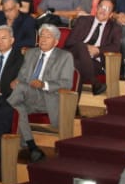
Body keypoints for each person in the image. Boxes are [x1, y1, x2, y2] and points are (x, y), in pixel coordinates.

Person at [9, 23, 76, 162]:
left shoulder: (65, 57)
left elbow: (67, 83)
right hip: (28, 96)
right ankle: (32, 145)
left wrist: (44, 84)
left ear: (56, 42)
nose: (43, 39)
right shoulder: (31, 53)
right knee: (17, 107)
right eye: (41, 36)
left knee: (14, 98)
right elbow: (22, 75)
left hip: (49, 98)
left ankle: (0, 112)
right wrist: (16, 80)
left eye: (48, 36)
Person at [65, 0, 122, 91]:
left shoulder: (115, 28)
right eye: (102, 7)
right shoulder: (83, 20)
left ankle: (73, 105)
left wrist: (98, 50)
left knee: (77, 68)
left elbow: (116, 47)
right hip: (74, 54)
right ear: (97, 8)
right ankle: (94, 82)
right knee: (81, 46)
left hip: (95, 63)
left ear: (111, 14)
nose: (103, 10)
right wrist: (86, 48)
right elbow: (69, 42)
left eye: (107, 9)